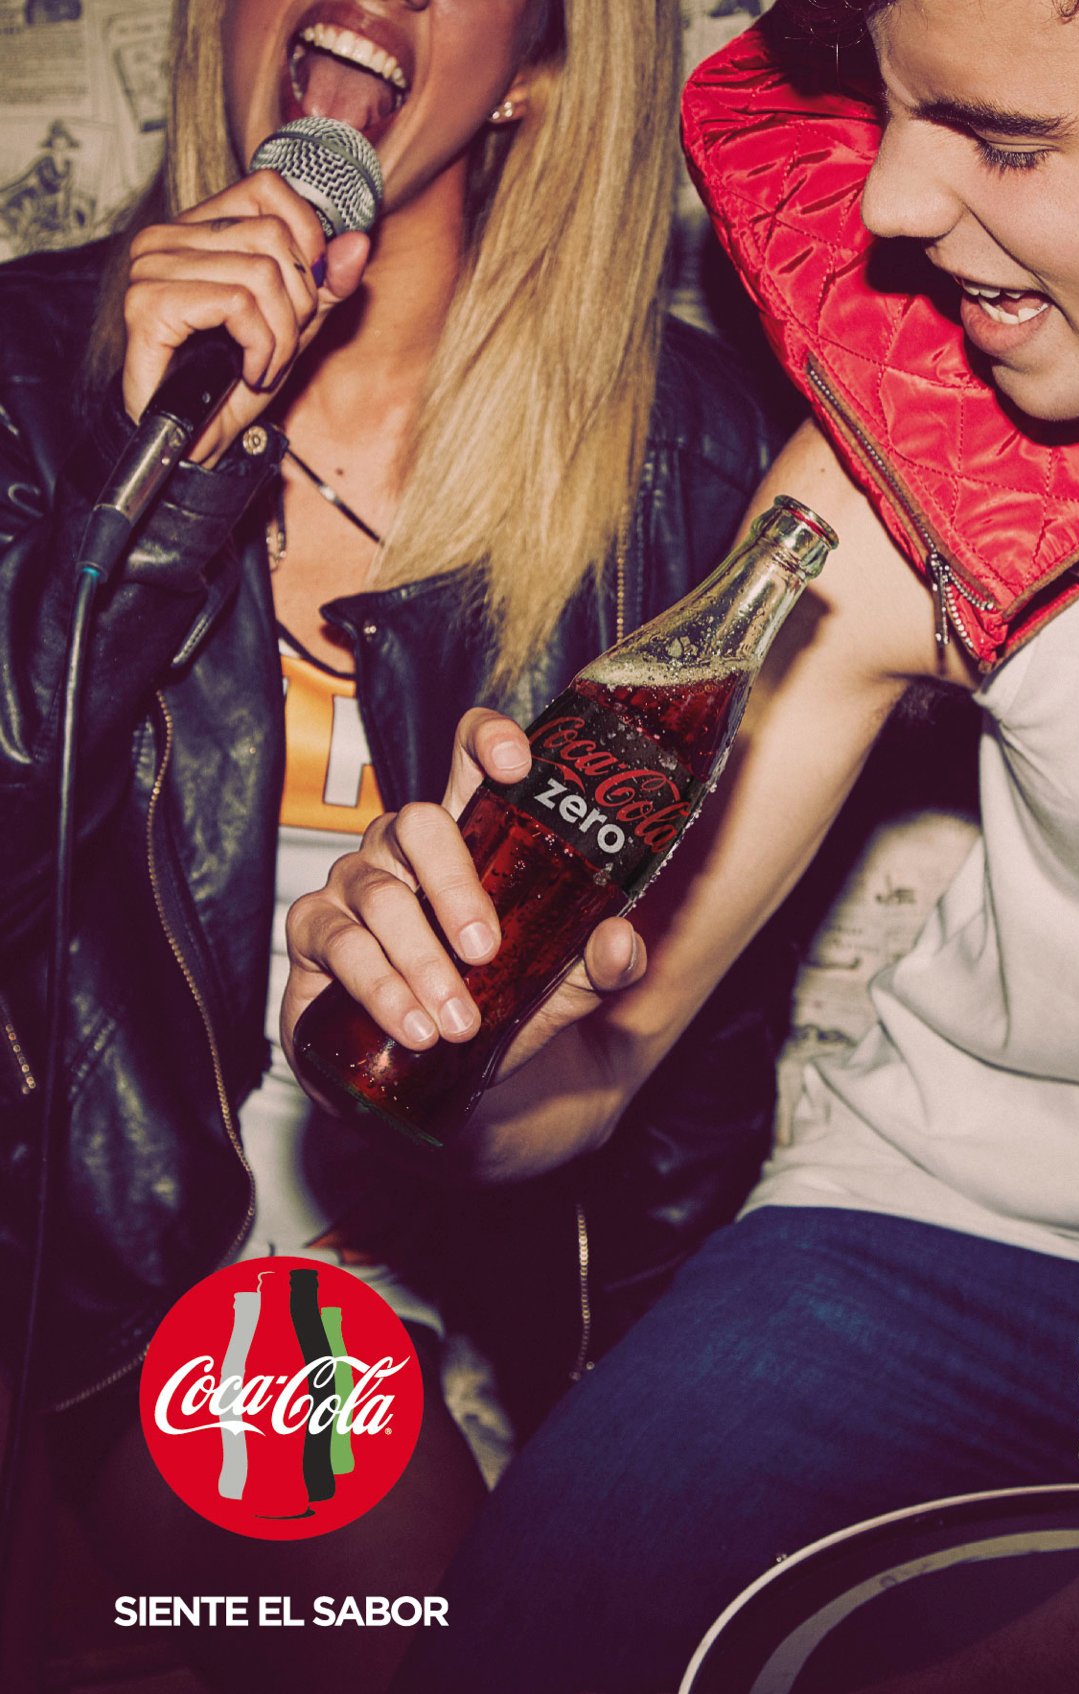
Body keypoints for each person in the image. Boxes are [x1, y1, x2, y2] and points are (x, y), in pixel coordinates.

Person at [265, 0, 1079, 1689]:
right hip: (954, 1228)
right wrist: (457, 1040)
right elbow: (585, 1086)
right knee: (536, 1639)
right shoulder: (910, 451)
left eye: (1004, 141)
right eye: (896, 115)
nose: (888, 204)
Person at [0, 0, 789, 1687]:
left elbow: (698, 1060)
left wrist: (640, 1405)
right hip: (141, 1263)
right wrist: (148, 481)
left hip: (496, 1264)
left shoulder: (690, 452)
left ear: (543, 70)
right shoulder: (21, 370)